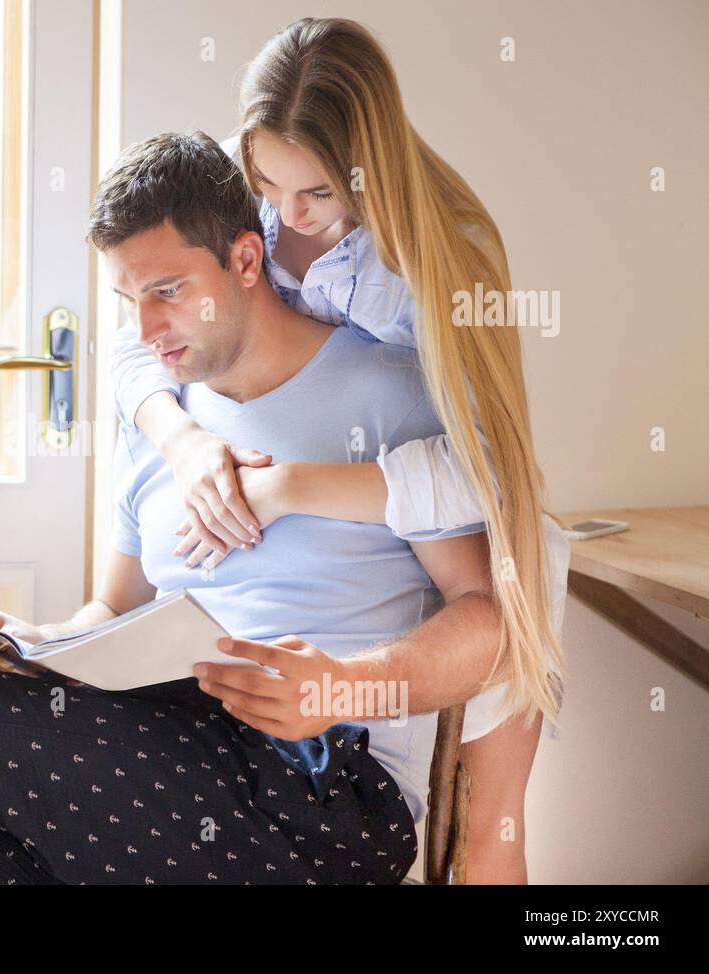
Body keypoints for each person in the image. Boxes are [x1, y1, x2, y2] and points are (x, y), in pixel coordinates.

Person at [0, 131, 505, 885]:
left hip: (326, 789)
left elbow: (488, 621)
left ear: (246, 260)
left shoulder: (386, 392)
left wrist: (341, 686)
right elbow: (113, 610)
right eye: (128, 300)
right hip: (177, 752)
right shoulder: (164, 431)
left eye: (166, 292)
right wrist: (34, 645)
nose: (145, 331)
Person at [110, 18, 568, 882]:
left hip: (472, 515)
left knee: (486, 823)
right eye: (265, 185)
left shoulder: (445, 262)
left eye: (315, 194)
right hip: (330, 483)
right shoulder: (239, 198)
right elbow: (138, 332)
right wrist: (185, 443)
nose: (284, 221)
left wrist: (289, 490)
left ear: (370, 171)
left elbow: (476, 473)